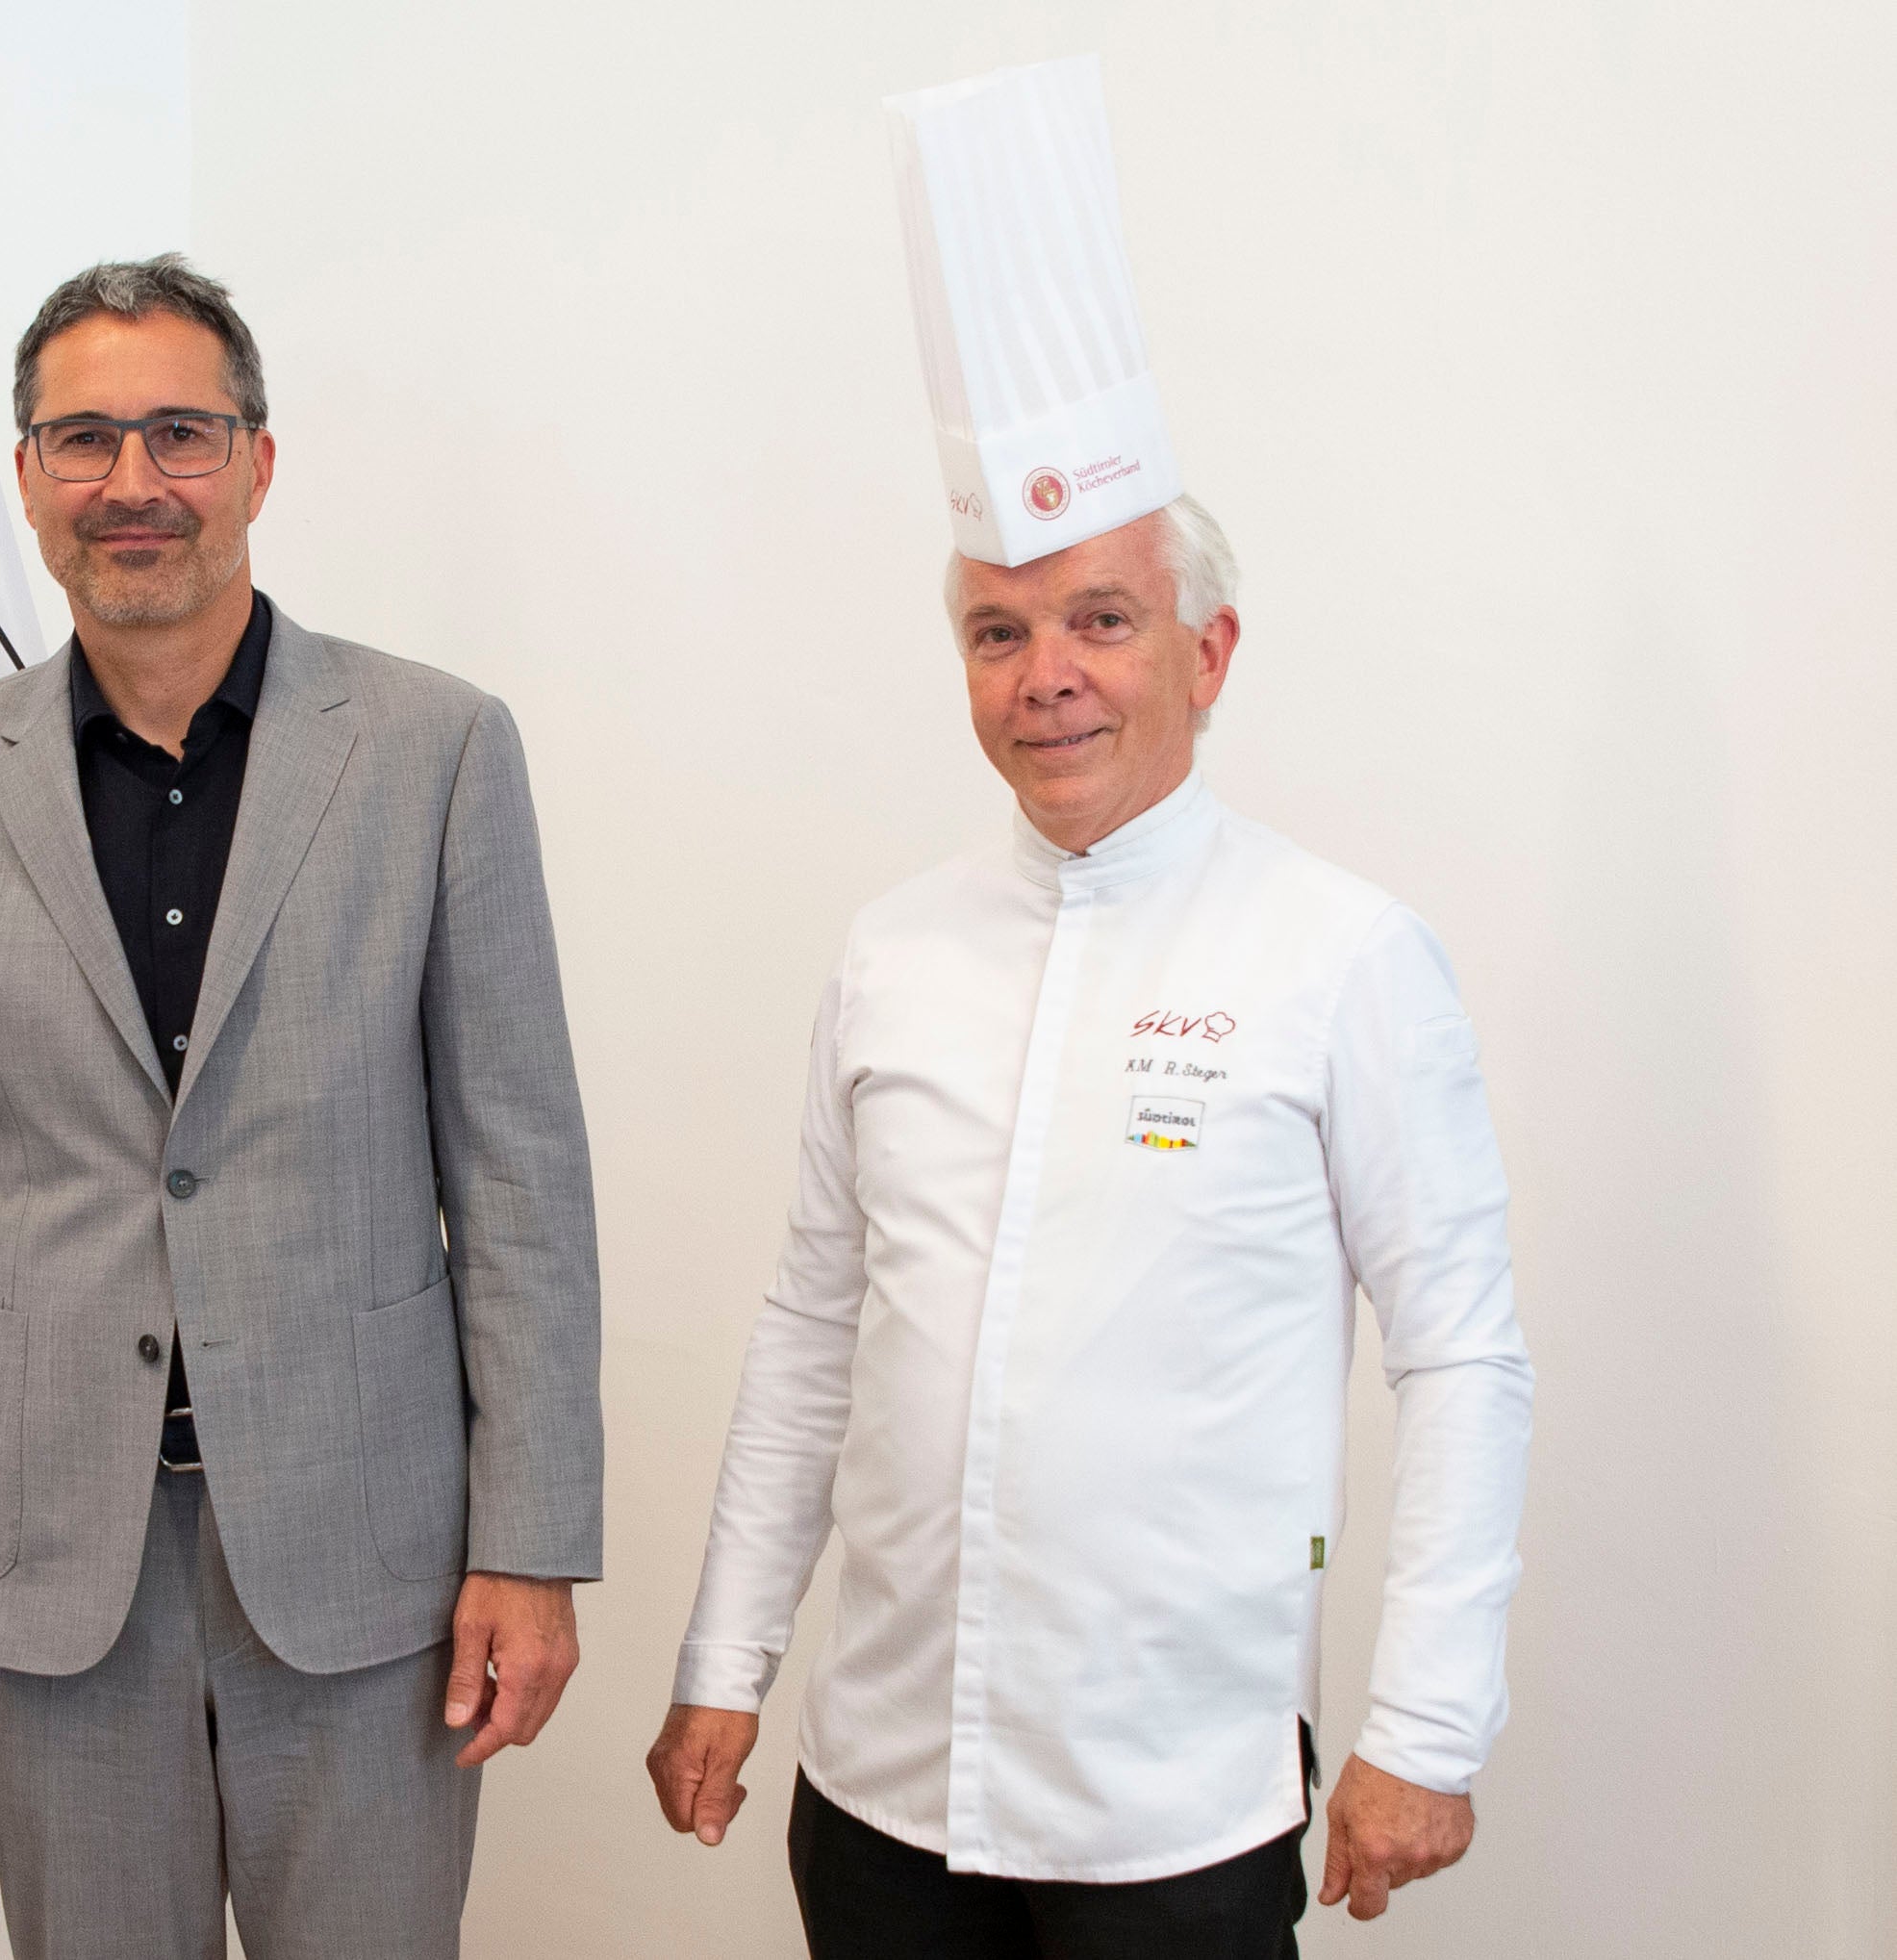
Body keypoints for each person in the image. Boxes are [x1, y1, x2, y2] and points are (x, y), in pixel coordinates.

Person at [0, 255, 605, 1958]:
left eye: (179, 432)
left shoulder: (433, 748)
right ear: (25, 477)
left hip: (367, 1562)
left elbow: (521, 1175)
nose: (132, 483)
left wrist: (534, 1540)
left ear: (258, 460)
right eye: (82, 438)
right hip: (50, 1576)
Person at [645, 495, 1535, 1955]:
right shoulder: (893, 951)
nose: (1042, 673)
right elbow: (812, 1328)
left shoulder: (1342, 956)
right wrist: (721, 1660)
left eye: (1100, 621)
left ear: (1208, 651)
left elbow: (1457, 1358)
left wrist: (1425, 1726)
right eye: (998, 632)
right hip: (878, 1781)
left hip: (1175, 1805)